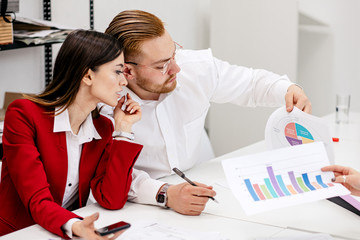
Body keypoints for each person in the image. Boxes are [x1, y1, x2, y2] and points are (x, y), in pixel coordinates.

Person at [101, 9, 312, 216]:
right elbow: (106, 173)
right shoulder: (104, 103)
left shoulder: (196, 68)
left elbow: (252, 83)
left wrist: (289, 89)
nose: (177, 68)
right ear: (127, 71)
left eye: (174, 54)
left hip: (203, 186)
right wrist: (165, 193)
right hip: (140, 204)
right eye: (163, 66)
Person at [0, 30, 143, 239]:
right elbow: (37, 201)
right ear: (87, 75)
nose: (124, 82)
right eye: (118, 71)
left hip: (65, 231)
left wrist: (123, 130)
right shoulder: (23, 115)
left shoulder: (102, 128)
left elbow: (112, 198)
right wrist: (76, 227)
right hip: (20, 233)